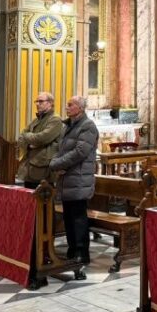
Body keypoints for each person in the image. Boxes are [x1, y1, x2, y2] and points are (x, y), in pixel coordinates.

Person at [49, 96, 98, 265]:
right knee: (69, 217)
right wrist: (56, 162)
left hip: (79, 178)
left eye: (70, 105)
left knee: (78, 218)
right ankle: (72, 250)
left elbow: (80, 152)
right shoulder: (68, 126)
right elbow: (60, 150)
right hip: (68, 178)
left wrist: (58, 164)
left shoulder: (88, 126)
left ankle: (82, 253)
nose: (67, 107)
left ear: (80, 108)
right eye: (67, 104)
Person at [16, 92, 63, 188]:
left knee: (42, 196)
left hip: (43, 169)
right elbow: (20, 137)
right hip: (29, 167)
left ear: (50, 103)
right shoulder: (36, 120)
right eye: (36, 101)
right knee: (27, 196)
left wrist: (28, 137)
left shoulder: (55, 119)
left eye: (41, 101)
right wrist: (30, 145)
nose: (37, 104)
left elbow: (42, 138)